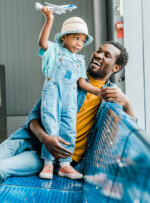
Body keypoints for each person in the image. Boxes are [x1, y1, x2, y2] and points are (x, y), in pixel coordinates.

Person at [0, 40, 135, 184]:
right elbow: (33, 117)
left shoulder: (111, 95)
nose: (98, 55)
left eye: (107, 55)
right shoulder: (67, 76)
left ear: (116, 67)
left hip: (51, 158)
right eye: (99, 51)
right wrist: (45, 138)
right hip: (28, 139)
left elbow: (130, 133)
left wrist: (127, 103)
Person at [38, 7, 102, 180]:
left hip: (70, 98)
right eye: (75, 38)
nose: (79, 43)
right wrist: (49, 18)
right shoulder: (54, 50)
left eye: (82, 40)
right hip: (53, 93)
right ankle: (48, 163)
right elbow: (42, 43)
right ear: (63, 38)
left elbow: (81, 82)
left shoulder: (79, 60)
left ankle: (65, 164)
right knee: (51, 125)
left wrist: (98, 91)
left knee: (69, 128)